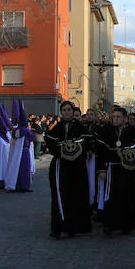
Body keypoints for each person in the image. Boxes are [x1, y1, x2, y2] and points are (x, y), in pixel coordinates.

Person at [45, 101, 92, 238]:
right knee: (59, 196)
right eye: (64, 110)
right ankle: (58, 227)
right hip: (60, 166)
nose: (67, 112)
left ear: (73, 111)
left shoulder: (81, 128)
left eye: (69, 110)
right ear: (61, 112)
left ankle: (73, 226)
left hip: (76, 166)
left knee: (75, 196)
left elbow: (87, 143)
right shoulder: (56, 128)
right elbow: (51, 144)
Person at [94, 107, 135, 235]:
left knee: (127, 197)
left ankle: (127, 225)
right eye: (113, 116)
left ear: (125, 118)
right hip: (111, 169)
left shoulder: (133, 131)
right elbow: (101, 152)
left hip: (127, 169)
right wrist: (101, 169)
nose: (115, 119)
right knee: (111, 198)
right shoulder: (106, 132)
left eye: (118, 117)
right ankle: (110, 224)